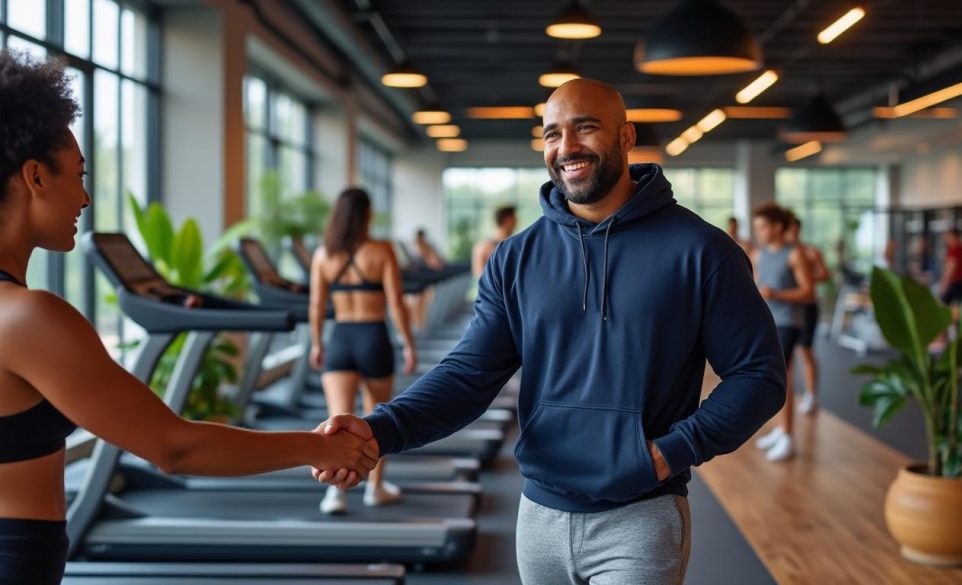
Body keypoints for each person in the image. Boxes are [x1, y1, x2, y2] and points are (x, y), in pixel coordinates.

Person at [314, 78, 787, 585]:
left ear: (627, 138)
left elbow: (759, 376)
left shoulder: (701, 251)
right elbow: (469, 374)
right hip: (537, 515)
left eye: (585, 128)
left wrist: (671, 451)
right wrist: (380, 429)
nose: (567, 148)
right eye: (552, 134)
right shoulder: (516, 258)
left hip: (639, 516)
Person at [0, 50, 377, 585]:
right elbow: (174, 446)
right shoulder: (28, 318)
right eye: (79, 176)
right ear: (35, 176)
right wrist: (321, 446)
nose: (85, 197)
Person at [308, 188, 417, 514]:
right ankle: (375, 488)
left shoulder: (323, 255)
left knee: (335, 424)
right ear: (367, 215)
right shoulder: (381, 250)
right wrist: (408, 343)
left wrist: (316, 342)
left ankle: (335, 494)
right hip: (374, 337)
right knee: (376, 421)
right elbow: (396, 303)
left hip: (340, 337)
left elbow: (316, 305)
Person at [750, 204, 815, 462]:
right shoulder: (757, 255)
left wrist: (777, 294)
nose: (759, 232)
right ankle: (780, 429)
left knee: (782, 378)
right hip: (767, 321)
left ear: (777, 227)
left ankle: (788, 436)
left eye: (763, 227)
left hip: (789, 321)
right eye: (756, 228)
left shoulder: (794, 254)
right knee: (773, 378)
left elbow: (808, 291)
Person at [785, 216, 831, 415]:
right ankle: (789, 398)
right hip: (788, 309)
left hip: (807, 307)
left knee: (806, 351)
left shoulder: (810, 252)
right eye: (789, 230)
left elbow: (826, 273)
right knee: (787, 359)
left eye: (795, 230)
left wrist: (805, 275)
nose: (792, 234)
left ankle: (811, 395)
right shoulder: (785, 254)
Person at [472, 205, 517, 278]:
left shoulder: (515, 244)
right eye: (514, 218)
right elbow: (479, 276)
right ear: (508, 220)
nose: (517, 222)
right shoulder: (484, 246)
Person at [940, 227, 962, 306]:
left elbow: (950, 268)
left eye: (948, 238)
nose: (947, 240)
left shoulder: (954, 249)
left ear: (954, 237)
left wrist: (944, 285)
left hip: (957, 282)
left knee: (942, 304)